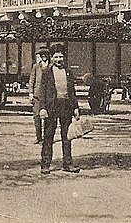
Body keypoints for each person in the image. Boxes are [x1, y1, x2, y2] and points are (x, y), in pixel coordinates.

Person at [34, 43, 81, 174]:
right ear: (52, 58)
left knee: (67, 136)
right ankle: (45, 164)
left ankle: (68, 164)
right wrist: (42, 108)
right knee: (48, 136)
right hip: (51, 108)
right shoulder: (47, 72)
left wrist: (75, 108)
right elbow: (42, 92)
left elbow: (72, 92)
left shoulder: (68, 72)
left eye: (61, 56)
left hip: (65, 106)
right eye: (56, 57)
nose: (59, 59)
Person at [28, 47, 50, 144]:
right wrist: (31, 93)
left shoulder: (51, 66)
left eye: (45, 55)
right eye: (42, 55)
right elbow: (32, 80)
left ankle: (46, 138)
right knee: (36, 117)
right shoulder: (36, 66)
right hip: (37, 96)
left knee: (47, 118)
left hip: (48, 96)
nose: (44, 56)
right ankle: (38, 137)